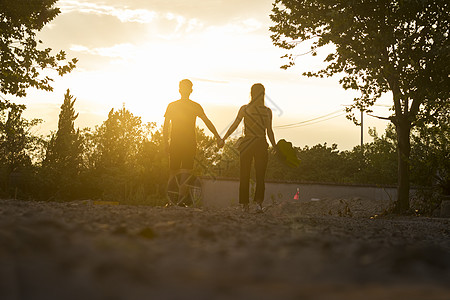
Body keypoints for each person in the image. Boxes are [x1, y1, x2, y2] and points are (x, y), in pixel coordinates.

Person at [163, 79, 223, 205]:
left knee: (176, 172)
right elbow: (207, 122)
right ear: (190, 90)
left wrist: (165, 143)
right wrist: (217, 136)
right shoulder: (185, 106)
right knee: (183, 172)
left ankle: (174, 201)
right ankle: (177, 201)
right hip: (183, 143)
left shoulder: (175, 105)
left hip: (183, 143)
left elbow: (165, 127)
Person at [221, 83, 277, 212]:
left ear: (251, 93)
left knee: (246, 174)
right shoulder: (265, 111)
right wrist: (274, 146)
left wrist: (224, 138)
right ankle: (257, 204)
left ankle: (246, 205)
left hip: (250, 142)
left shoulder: (247, 109)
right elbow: (269, 131)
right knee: (259, 175)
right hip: (259, 142)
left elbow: (235, 124)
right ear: (263, 93)